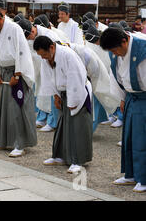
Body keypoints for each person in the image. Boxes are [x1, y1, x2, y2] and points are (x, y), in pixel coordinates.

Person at [34, 36, 93, 174]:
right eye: (40, 55)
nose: (43, 58)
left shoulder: (68, 55)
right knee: (63, 126)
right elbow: (47, 77)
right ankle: (60, 156)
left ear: (52, 47)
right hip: (62, 93)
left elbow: (76, 78)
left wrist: (73, 100)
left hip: (78, 93)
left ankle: (78, 160)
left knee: (78, 127)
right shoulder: (46, 58)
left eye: (44, 54)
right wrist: (55, 95)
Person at [0, 8, 37, 157]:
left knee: (18, 108)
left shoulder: (14, 28)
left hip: (17, 72)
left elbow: (22, 53)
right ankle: (1, 141)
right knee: (3, 107)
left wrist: (18, 74)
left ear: (0, 18)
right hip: (4, 71)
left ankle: (20, 143)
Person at [100, 28, 146, 193]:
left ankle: (144, 178)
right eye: (112, 51)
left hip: (144, 99)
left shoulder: (143, 48)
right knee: (129, 138)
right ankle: (131, 174)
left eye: (115, 50)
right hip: (131, 99)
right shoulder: (116, 53)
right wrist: (122, 97)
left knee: (142, 140)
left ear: (124, 41)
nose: (115, 54)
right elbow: (116, 76)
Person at [16, 18, 61, 133]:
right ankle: (42, 117)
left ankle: (53, 121)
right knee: (41, 93)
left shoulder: (49, 35)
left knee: (52, 92)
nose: (29, 39)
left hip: (52, 67)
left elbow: (56, 53)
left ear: (32, 31)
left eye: (28, 37)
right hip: (38, 68)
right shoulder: (28, 36)